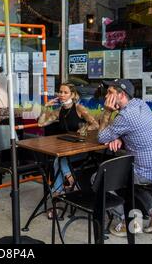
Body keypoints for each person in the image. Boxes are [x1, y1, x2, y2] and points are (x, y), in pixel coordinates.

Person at [98, 79, 152, 237]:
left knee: (100, 178)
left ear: (122, 94)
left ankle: (128, 220)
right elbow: (135, 130)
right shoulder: (140, 104)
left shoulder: (125, 116)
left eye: (110, 93)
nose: (106, 96)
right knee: (129, 179)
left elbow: (101, 137)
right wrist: (119, 137)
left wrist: (108, 112)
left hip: (146, 172)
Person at [38, 83, 99, 218]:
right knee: (59, 160)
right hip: (65, 148)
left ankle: (59, 198)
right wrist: (45, 108)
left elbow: (95, 124)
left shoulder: (79, 108)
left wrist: (83, 129)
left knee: (58, 161)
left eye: (65, 92)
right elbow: (41, 123)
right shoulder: (59, 110)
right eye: (60, 92)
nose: (61, 94)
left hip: (81, 149)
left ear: (72, 94)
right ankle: (72, 187)